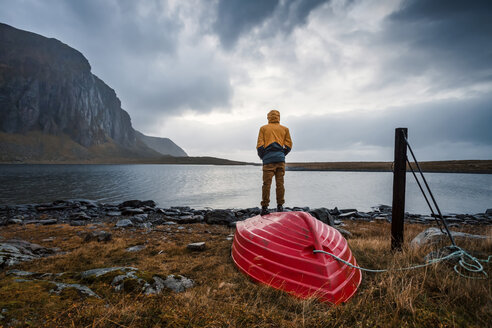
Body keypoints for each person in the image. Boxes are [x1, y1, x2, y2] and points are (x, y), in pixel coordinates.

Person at [256, 109, 292, 215]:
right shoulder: (285, 129)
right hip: (280, 160)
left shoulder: (263, 128)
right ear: (278, 117)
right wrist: (281, 154)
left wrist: (264, 157)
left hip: (268, 160)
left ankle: (264, 207)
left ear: (268, 117)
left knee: (266, 184)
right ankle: (280, 206)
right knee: (280, 184)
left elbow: (260, 145)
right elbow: (289, 146)